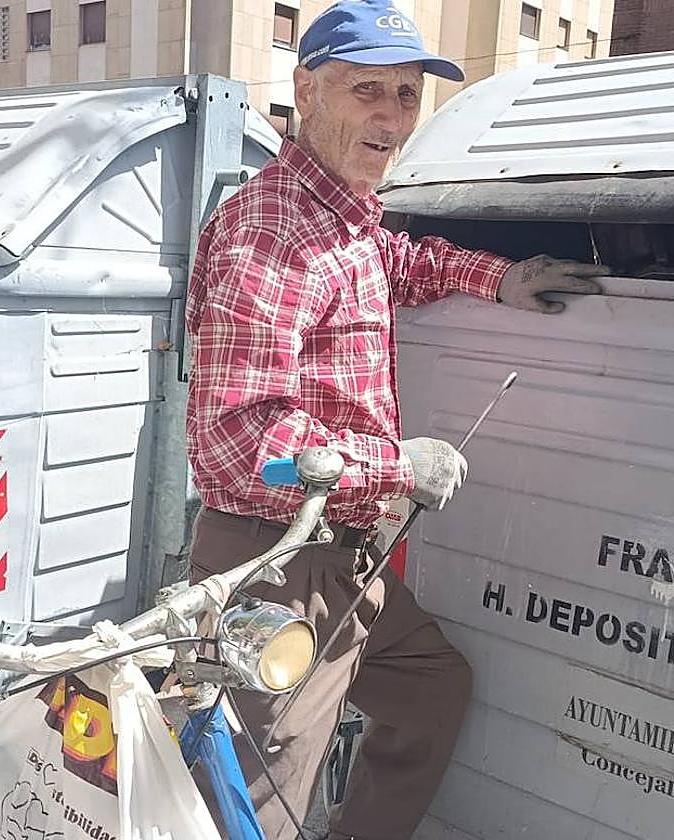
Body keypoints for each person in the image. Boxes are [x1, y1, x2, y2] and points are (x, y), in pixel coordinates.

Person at [184, 2, 608, 838]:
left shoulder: (345, 217)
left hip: (346, 560)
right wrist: (398, 467)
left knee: (429, 690)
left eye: (407, 97)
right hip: (276, 565)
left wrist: (499, 278)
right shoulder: (270, 232)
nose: (391, 118)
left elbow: (401, 262)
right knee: (253, 812)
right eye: (367, 91)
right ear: (307, 91)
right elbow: (232, 441)